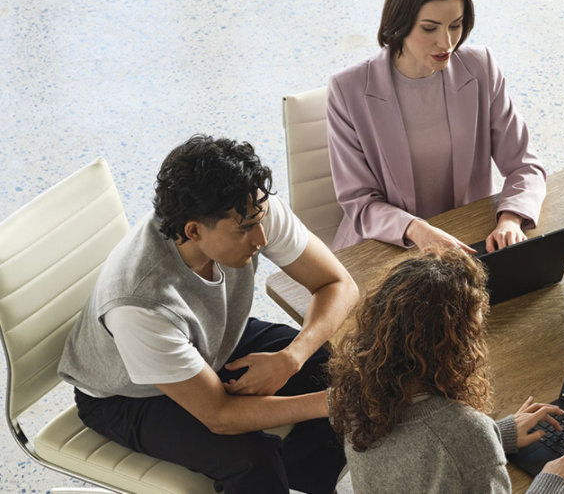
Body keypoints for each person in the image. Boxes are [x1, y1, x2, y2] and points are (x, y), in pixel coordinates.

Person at [58, 135, 359, 493]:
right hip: (129, 393)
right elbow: (220, 417)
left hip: (208, 340)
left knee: (329, 366)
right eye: (245, 230)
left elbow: (338, 284)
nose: (261, 238)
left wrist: (292, 358)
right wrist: (330, 403)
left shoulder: (248, 207)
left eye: (259, 221)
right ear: (194, 231)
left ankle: (310, 479)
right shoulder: (140, 302)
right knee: (250, 459)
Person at [328, 248, 564, 493]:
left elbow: (414, 461)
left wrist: (495, 434)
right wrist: (554, 480)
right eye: (473, 334)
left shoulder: (360, 387)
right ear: (449, 348)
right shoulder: (463, 431)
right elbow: (443, 442)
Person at [326, 0, 546, 253]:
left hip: (466, 239)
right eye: (430, 28)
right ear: (399, 22)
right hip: (386, 247)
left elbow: (525, 166)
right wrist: (417, 230)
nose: (446, 43)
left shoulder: (481, 68)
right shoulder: (347, 90)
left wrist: (510, 219)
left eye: (455, 25)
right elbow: (360, 203)